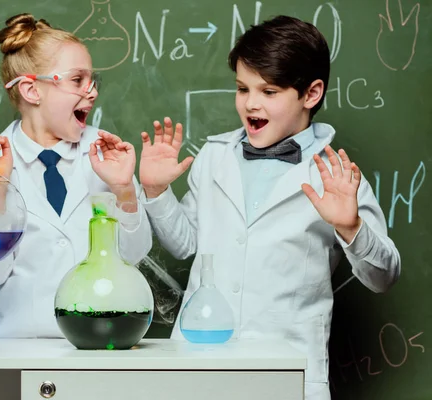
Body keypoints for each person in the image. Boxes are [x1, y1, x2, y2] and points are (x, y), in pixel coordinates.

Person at [138, 15, 400, 400]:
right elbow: (186, 245)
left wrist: (351, 227)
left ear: (311, 94)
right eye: (243, 89)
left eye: (269, 91)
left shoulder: (336, 174)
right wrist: (157, 191)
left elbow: (384, 276)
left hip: (288, 372)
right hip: (201, 362)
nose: (251, 104)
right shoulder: (214, 156)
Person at [0, 13, 152, 339]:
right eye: (77, 80)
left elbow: (135, 255)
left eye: (93, 80)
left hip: (98, 340)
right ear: (31, 90)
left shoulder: (105, 152)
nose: (92, 91)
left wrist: (124, 189)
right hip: (18, 347)